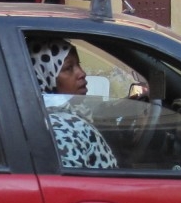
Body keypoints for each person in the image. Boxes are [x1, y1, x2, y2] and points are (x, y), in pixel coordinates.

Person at [27, 38, 118, 169]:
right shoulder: (58, 129)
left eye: (78, 64)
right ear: (46, 78)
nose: (82, 73)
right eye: (68, 68)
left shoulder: (70, 114)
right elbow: (74, 185)